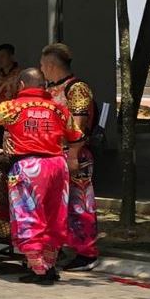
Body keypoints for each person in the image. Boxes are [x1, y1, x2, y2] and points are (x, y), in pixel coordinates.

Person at [0, 68, 83, 284]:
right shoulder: (59, 109)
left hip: (29, 168)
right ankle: (49, 265)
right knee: (54, 217)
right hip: (57, 166)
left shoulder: (10, 107)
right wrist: (73, 158)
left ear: (21, 85)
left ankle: (40, 270)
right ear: (43, 86)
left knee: (28, 217)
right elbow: (77, 137)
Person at [40, 43, 100, 271]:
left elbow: (78, 126)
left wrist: (73, 156)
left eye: (42, 65)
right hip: (54, 155)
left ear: (51, 65)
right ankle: (60, 247)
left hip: (74, 155)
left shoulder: (77, 89)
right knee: (57, 206)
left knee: (80, 204)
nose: (41, 69)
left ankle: (86, 253)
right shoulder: (51, 88)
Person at [0, 44, 21, 148]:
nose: (0, 60)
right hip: (0, 114)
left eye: (3, 56)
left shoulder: (20, 75)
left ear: (11, 56)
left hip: (14, 115)